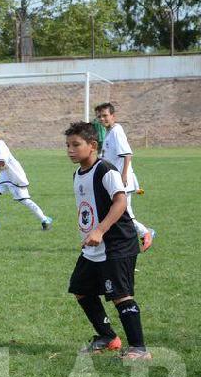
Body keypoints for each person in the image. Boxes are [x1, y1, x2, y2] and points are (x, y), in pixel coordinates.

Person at [64, 121, 151, 361]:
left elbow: (120, 202)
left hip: (116, 243)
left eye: (76, 145)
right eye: (67, 145)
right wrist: (89, 234)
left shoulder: (106, 170)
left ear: (92, 145)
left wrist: (100, 230)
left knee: (120, 295)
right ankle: (108, 337)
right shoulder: (78, 173)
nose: (70, 150)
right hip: (94, 245)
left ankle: (139, 348)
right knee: (81, 289)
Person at [94, 103, 155, 252]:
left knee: (123, 212)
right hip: (114, 180)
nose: (102, 119)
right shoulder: (109, 133)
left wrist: (123, 176)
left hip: (121, 181)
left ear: (113, 116)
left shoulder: (116, 131)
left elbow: (127, 154)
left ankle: (145, 232)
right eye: (99, 116)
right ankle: (118, 239)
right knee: (116, 212)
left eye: (105, 115)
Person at [0, 123, 53, 231]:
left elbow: (1, 162)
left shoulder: (0, 144)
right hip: (5, 176)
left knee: (24, 200)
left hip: (15, 176)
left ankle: (45, 219)